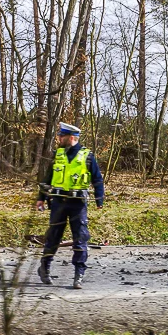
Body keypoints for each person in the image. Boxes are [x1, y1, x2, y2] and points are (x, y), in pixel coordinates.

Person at [35, 122, 104, 289]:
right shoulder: (57, 155)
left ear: (72, 138)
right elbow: (48, 178)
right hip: (58, 203)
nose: (59, 139)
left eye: (62, 136)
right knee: (53, 238)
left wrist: (99, 200)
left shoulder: (87, 156)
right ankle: (44, 268)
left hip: (77, 204)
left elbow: (97, 179)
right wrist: (41, 198)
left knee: (80, 238)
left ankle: (78, 274)